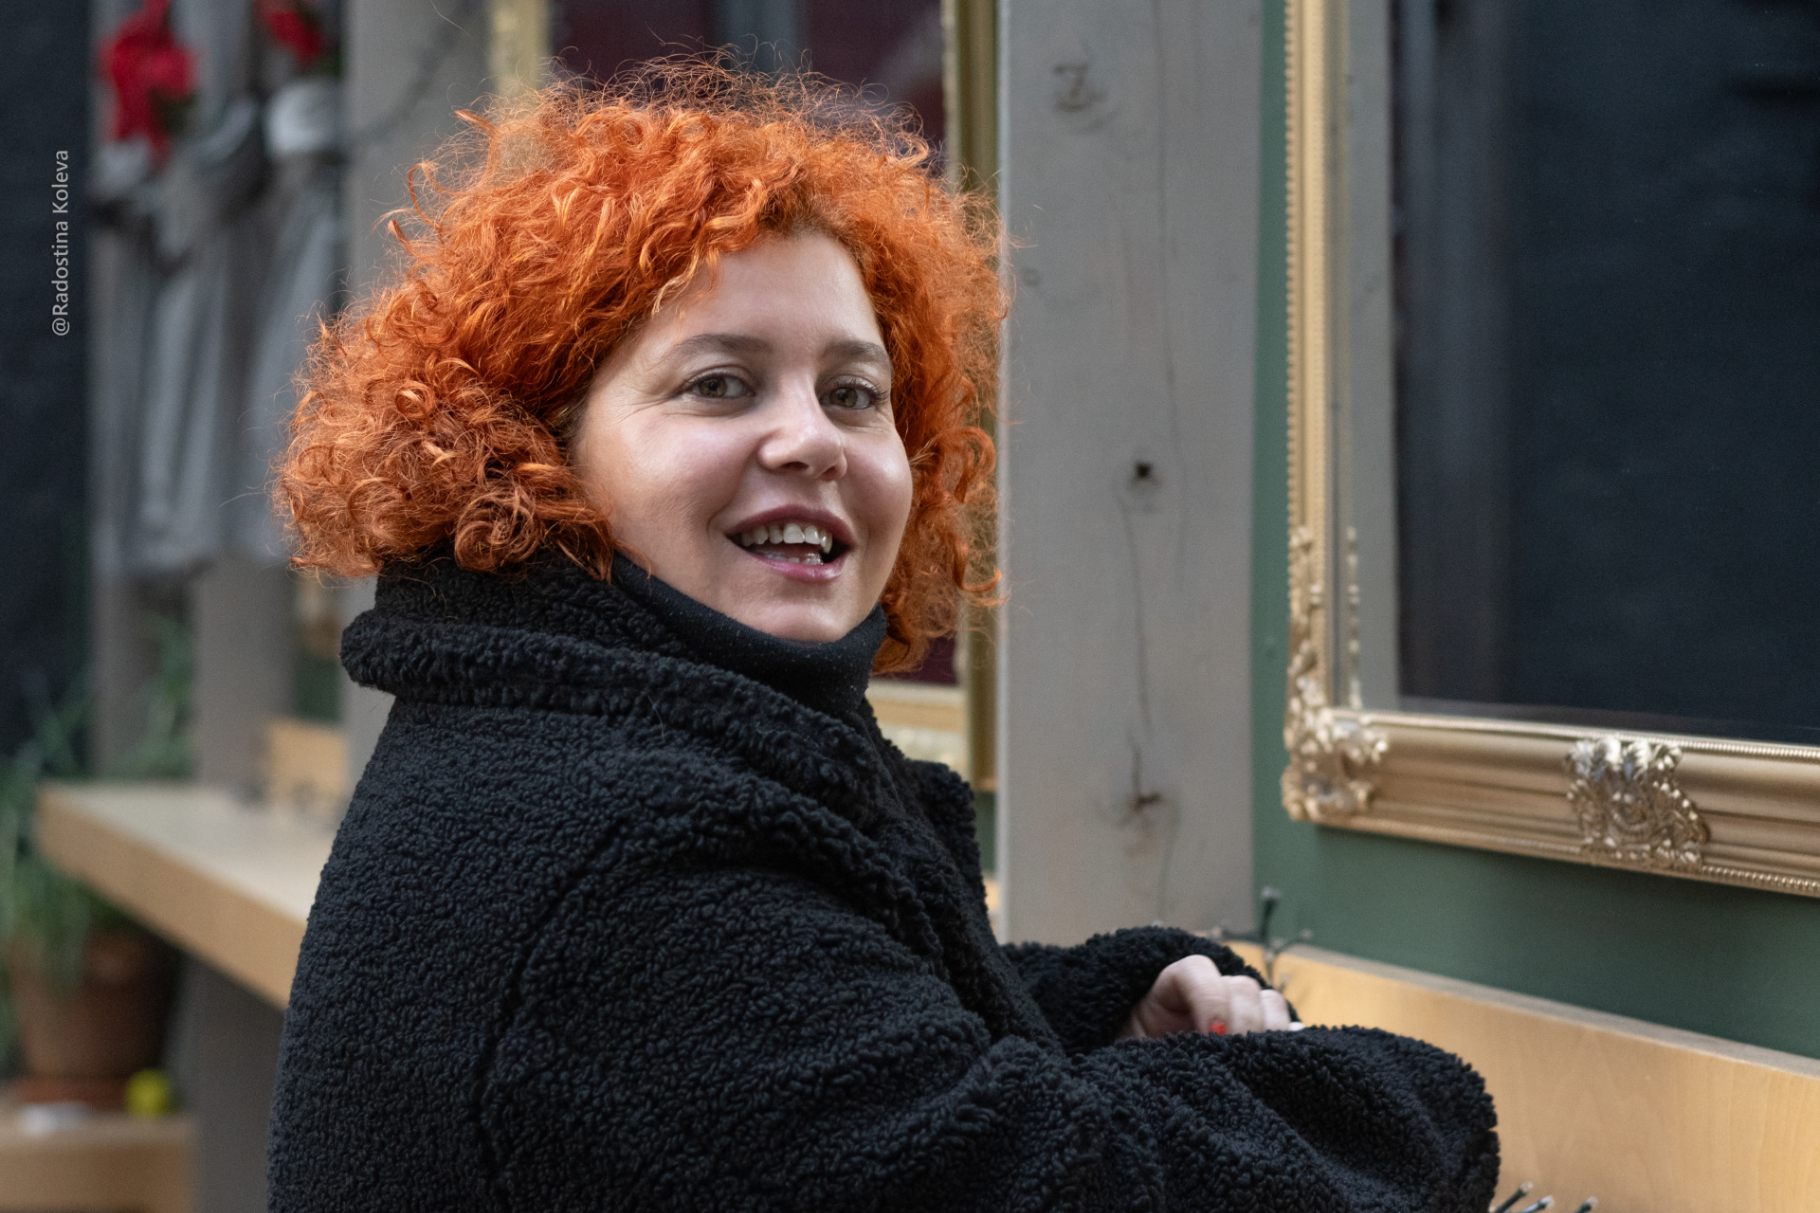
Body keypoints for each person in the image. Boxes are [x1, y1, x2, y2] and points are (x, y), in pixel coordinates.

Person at [265, 61, 1498, 1211]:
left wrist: (1101, 1011)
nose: (812, 438)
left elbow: (820, 1057)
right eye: (719, 382)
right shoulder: (623, 860)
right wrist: (1403, 1110)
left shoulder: (565, 752)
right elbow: (1046, 1177)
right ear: (530, 454)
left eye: (854, 393)